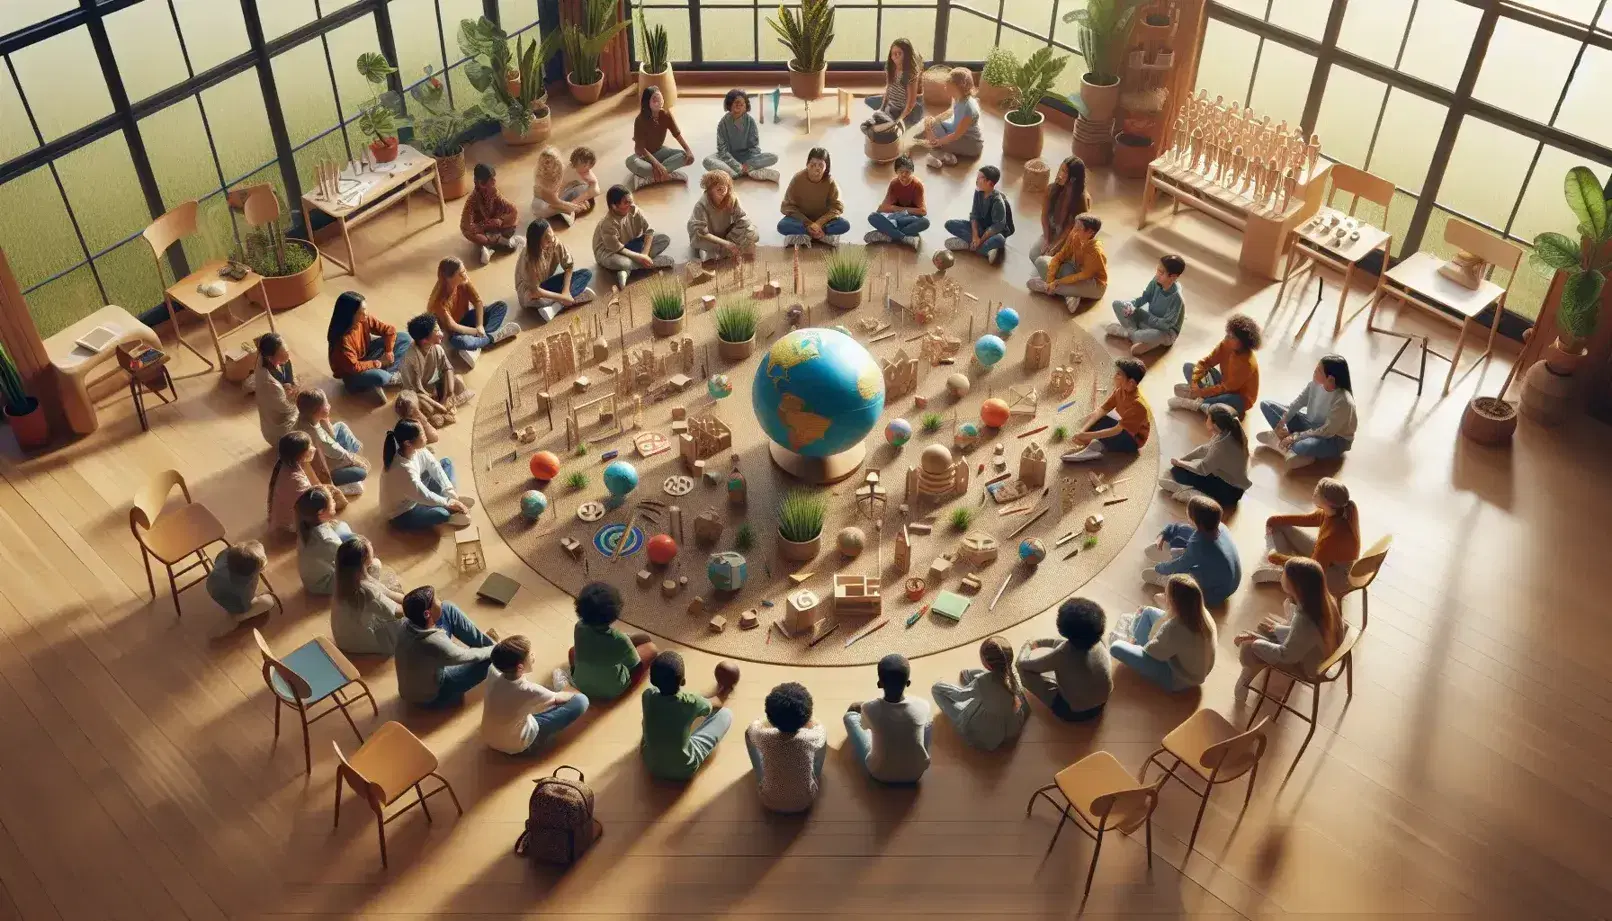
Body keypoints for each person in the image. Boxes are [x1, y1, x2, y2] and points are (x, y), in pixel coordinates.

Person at [1234, 557, 1343, 703]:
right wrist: (1278, 630)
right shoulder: (1324, 601)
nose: (1281, 576)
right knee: (1266, 628)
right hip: (1317, 652)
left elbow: (1287, 655)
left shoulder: (1304, 619)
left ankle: (1245, 680)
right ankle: (1254, 659)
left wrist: (1255, 642)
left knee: (1248, 648)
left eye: (1284, 574)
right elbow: (1304, 636)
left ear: (1295, 585)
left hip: (1307, 665)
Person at [482, 636, 590, 755]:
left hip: (489, 738)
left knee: (531, 705)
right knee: (581, 700)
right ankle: (562, 682)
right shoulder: (531, 690)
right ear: (520, 667)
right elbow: (561, 698)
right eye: (530, 655)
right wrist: (570, 693)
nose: (534, 655)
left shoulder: (492, 671)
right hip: (519, 746)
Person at [1251, 478, 1360, 595]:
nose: (1314, 493)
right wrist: (1275, 519)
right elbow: (1309, 519)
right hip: (1327, 559)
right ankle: (1283, 567)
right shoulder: (1333, 512)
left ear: (1327, 501)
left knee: (1303, 574)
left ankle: (1283, 573)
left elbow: (1312, 568)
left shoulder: (1330, 538)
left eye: (1317, 492)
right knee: (1279, 526)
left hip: (1337, 576)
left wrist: (1278, 558)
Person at [1110, 574, 1218, 693]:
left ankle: (1134, 639)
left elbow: (1153, 652)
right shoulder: (1201, 613)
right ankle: (1136, 635)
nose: (1165, 597)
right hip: (1198, 671)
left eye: (1167, 595)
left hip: (1179, 678)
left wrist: (1135, 642)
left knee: (1116, 647)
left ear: (1174, 601)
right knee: (1147, 611)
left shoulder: (1175, 628)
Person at [395, 585, 499, 707]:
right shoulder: (433, 642)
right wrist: (495, 649)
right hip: (432, 696)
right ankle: (499, 649)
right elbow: (469, 656)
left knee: (447, 608)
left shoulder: (406, 624)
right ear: (427, 613)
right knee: (489, 659)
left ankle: (488, 643)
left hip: (416, 685)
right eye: (436, 600)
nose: (440, 601)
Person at [641, 651, 737, 782]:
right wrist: (724, 689)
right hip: (684, 769)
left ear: (652, 680)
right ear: (683, 681)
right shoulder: (691, 702)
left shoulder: (647, 695)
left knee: (652, 719)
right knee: (725, 714)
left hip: (651, 764)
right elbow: (717, 703)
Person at [1017, 597, 1113, 721]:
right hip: (1102, 703)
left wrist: (1028, 646)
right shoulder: (1098, 641)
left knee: (1022, 670)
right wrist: (1040, 643)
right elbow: (1065, 644)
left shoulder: (1061, 654)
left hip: (1074, 712)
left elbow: (1027, 665)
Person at [930, 636, 1029, 752]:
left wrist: (940, 685)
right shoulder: (1012, 676)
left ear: (987, 664)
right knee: (976, 676)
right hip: (1011, 727)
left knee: (936, 690)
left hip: (986, 733)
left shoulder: (983, 682)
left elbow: (960, 696)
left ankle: (964, 677)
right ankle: (967, 675)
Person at [1257, 354, 1357, 470]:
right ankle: (1290, 449)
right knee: (1267, 405)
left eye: (1319, 370)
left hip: (1333, 438)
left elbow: (1326, 431)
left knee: (1302, 446)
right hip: (1309, 424)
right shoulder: (1314, 384)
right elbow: (1297, 403)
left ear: (1331, 379)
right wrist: (1283, 422)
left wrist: (1296, 436)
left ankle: (1284, 444)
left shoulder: (1343, 401)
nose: (1314, 371)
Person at [845, 654, 933, 784]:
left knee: (850, 717)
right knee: (927, 723)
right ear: (908, 683)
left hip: (879, 773)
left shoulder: (869, 708)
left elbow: (864, 727)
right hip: (915, 774)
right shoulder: (923, 705)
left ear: (879, 684)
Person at [1143, 495, 1242, 607]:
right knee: (1186, 538)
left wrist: (1160, 568)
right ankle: (1171, 553)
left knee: (1186, 574)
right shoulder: (1219, 526)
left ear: (1193, 519)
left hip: (1215, 593)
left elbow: (1181, 565)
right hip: (1232, 582)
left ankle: (1169, 584)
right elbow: (1183, 529)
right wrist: (1164, 534)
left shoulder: (1200, 544)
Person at [297, 488, 399, 596]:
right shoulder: (327, 541)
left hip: (314, 577)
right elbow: (354, 563)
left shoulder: (306, 526)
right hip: (323, 584)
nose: (334, 502)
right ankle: (366, 593)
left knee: (341, 526)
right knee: (375, 564)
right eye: (331, 501)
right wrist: (368, 552)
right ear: (321, 512)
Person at [569, 581, 659, 702]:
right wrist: (630, 684)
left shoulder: (579, 627)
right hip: (611, 691)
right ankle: (624, 688)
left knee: (573, 651)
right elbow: (636, 668)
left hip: (580, 682)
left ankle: (580, 674)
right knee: (651, 649)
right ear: (614, 614)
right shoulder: (620, 640)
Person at [745, 682, 827, 813]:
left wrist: (766, 723)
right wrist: (811, 721)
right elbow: (820, 726)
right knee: (822, 742)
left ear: (770, 718)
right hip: (805, 801)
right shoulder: (811, 737)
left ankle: (757, 767)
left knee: (748, 736)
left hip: (768, 800)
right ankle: (817, 773)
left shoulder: (764, 736)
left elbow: (752, 727)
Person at [380, 418, 473, 530]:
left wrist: (450, 492)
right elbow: (424, 495)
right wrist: (447, 502)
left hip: (415, 493)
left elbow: (434, 466)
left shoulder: (416, 449)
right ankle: (449, 510)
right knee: (441, 514)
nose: (425, 436)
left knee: (446, 463)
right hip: (403, 512)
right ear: (408, 443)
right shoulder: (403, 470)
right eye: (422, 434)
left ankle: (448, 500)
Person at [426, 256, 518, 366]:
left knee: (500, 307)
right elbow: (453, 326)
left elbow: (478, 302)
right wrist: (476, 332)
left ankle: (478, 345)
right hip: (455, 332)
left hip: (468, 317)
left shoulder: (464, 281)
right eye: (460, 273)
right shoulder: (438, 302)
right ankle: (493, 336)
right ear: (448, 279)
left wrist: (479, 326)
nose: (465, 275)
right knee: (459, 342)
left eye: (464, 271)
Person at [330, 534, 408, 655]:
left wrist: (406, 599)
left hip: (343, 636)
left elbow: (388, 593)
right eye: (371, 549)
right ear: (364, 560)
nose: (373, 548)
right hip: (356, 642)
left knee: (378, 569)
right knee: (408, 624)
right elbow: (396, 612)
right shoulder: (366, 592)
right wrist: (416, 605)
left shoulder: (343, 577)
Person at [1161, 404, 1251, 507]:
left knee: (1178, 472)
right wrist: (1184, 459)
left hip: (1229, 493)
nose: (1206, 419)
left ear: (1215, 423)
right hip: (1231, 485)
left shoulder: (1222, 446)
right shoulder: (1228, 432)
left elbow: (1202, 468)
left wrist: (1180, 463)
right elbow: (1204, 449)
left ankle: (1189, 493)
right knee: (1182, 468)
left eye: (1208, 417)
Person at [1171, 314, 1262, 416]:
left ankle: (1196, 403)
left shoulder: (1247, 364)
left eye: (1232, 337)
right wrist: (1194, 382)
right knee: (1188, 367)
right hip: (1222, 384)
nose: (1227, 338)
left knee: (1225, 399)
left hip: (1238, 397)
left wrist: (1201, 392)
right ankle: (1205, 403)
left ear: (1243, 342)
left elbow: (1226, 388)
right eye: (1228, 334)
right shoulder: (1226, 344)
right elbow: (1207, 362)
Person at [1063, 357, 1150, 463]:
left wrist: (1088, 435)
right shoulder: (1120, 391)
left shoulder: (1138, 405)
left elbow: (1117, 430)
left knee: (1103, 432)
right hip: (1122, 425)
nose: (1114, 376)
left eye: (1119, 374)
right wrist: (1084, 430)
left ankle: (1094, 448)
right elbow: (1103, 410)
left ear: (1131, 382)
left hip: (1132, 439)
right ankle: (1094, 444)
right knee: (1098, 420)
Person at [327, 291, 410, 398]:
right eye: (361, 312)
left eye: (365, 309)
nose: (365, 313)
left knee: (405, 337)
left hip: (366, 354)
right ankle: (389, 373)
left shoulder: (364, 319)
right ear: (350, 314)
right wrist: (378, 363)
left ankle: (390, 372)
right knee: (380, 377)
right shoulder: (341, 341)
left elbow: (388, 330)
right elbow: (354, 367)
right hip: (352, 373)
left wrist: (388, 351)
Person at [593, 185, 674, 290]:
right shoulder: (607, 224)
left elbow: (649, 230)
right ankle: (654, 263)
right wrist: (640, 257)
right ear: (614, 206)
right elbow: (617, 248)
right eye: (626, 203)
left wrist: (644, 253)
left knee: (663, 239)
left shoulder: (634, 210)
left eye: (631, 201)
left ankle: (627, 270)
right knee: (622, 262)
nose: (631, 205)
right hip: (610, 253)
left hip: (632, 244)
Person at [1106, 254, 1187, 356]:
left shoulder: (1176, 298)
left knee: (1156, 335)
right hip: (1148, 319)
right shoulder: (1155, 281)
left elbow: (1165, 326)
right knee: (1117, 304)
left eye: (1161, 273)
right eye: (1157, 270)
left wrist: (1144, 316)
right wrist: (1132, 305)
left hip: (1165, 332)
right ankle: (1138, 338)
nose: (1157, 274)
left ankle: (1127, 333)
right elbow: (1145, 297)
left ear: (1173, 277)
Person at [399, 315, 473, 426]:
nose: (441, 334)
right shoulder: (409, 360)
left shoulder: (437, 348)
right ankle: (444, 409)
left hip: (434, 385)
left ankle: (445, 406)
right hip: (420, 393)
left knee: (457, 381)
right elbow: (415, 390)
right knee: (417, 404)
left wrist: (448, 393)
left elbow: (448, 368)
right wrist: (441, 406)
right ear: (424, 340)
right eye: (437, 331)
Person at [517, 218, 595, 322]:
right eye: (548, 241)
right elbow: (535, 291)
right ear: (537, 243)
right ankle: (572, 298)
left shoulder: (554, 242)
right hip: (532, 295)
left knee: (586, 274)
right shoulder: (528, 259)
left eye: (552, 237)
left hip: (545, 286)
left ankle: (555, 308)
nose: (552, 242)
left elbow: (568, 266)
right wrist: (562, 297)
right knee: (540, 300)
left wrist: (565, 292)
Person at [295, 390, 367, 497]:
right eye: (325, 404)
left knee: (341, 426)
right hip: (325, 469)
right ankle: (338, 488)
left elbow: (331, 436)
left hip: (323, 454)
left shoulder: (305, 419)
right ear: (317, 410)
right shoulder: (317, 436)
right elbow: (339, 453)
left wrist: (325, 419)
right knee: (362, 471)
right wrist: (356, 461)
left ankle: (356, 451)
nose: (329, 406)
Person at [1029, 213, 1107, 310]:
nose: (1074, 230)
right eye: (1075, 226)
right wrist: (1050, 279)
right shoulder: (1074, 236)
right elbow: (1060, 256)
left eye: (1079, 228)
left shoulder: (1095, 251)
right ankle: (1069, 294)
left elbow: (1083, 275)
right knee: (1040, 261)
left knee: (1060, 286)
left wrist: (1058, 282)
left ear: (1090, 232)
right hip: (1074, 270)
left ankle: (1046, 287)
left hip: (1093, 283)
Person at [703, 89, 780, 182]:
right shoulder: (722, 123)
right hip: (729, 159)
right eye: (736, 103)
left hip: (748, 158)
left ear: (746, 106)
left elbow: (754, 147)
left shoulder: (750, 121)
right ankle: (745, 172)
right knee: (707, 161)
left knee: (773, 157)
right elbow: (722, 150)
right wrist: (737, 165)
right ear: (729, 104)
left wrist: (749, 163)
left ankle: (740, 172)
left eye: (742, 104)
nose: (739, 106)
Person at [778, 148, 849, 246]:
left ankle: (807, 235)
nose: (817, 168)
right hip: (802, 220)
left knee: (844, 225)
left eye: (821, 165)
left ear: (826, 167)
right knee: (782, 226)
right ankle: (820, 236)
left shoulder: (830, 182)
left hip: (822, 221)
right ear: (807, 165)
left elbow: (837, 207)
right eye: (813, 165)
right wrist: (808, 224)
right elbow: (787, 206)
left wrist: (819, 223)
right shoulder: (797, 179)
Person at [943, 165, 1013, 265]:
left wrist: (980, 240)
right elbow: (974, 215)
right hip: (980, 229)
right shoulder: (978, 192)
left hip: (992, 234)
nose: (976, 180)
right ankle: (984, 249)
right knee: (949, 224)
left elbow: (997, 227)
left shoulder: (997, 201)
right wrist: (975, 236)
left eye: (980, 178)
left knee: (1000, 240)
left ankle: (970, 245)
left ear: (990, 183)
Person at [627, 86, 693, 189]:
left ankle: (649, 178)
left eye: (660, 99)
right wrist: (658, 165)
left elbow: (677, 134)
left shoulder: (666, 114)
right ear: (647, 102)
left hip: (660, 151)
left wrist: (688, 150)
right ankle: (669, 175)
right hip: (643, 157)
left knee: (685, 157)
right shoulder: (640, 120)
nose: (659, 102)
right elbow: (641, 149)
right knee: (630, 162)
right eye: (655, 100)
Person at [687, 169, 759, 261]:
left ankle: (724, 251)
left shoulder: (731, 198)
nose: (723, 192)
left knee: (753, 233)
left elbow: (743, 218)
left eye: (725, 188)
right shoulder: (701, 205)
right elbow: (702, 233)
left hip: (725, 233)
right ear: (710, 191)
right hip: (707, 237)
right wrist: (726, 243)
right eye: (719, 189)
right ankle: (711, 252)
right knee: (707, 250)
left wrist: (733, 236)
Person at [460, 162, 524, 265]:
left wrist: (500, 220)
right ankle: (498, 242)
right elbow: (466, 225)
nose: (493, 182)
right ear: (480, 183)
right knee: (470, 233)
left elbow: (513, 210)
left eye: (493, 180)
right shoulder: (472, 200)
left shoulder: (494, 192)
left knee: (513, 218)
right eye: (491, 180)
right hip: (483, 230)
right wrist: (485, 225)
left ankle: (493, 245)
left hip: (495, 225)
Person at [862, 39, 925, 141]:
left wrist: (899, 120)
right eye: (893, 54)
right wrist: (881, 108)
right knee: (868, 104)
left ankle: (894, 126)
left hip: (903, 110)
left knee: (894, 133)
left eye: (899, 53)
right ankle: (886, 124)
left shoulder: (910, 74)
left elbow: (910, 103)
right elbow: (888, 89)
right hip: (891, 106)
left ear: (907, 55)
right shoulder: (891, 68)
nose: (895, 56)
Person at [920, 67, 984, 168]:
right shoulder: (958, 97)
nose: (945, 88)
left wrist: (938, 142)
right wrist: (935, 120)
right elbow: (951, 113)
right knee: (931, 123)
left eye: (948, 87)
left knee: (934, 139)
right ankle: (943, 151)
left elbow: (956, 135)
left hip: (970, 143)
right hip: (958, 131)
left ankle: (944, 156)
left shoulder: (968, 108)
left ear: (958, 88)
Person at [865, 155, 929, 249]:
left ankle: (888, 234)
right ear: (896, 172)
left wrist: (897, 209)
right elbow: (882, 208)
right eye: (900, 172)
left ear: (912, 172)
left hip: (908, 219)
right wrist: (892, 209)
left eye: (907, 172)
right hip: (894, 218)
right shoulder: (894, 183)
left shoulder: (917, 185)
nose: (903, 175)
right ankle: (903, 237)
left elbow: (922, 211)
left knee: (925, 222)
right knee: (872, 217)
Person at [266, 431, 323, 535]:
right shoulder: (297, 481)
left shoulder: (285, 464)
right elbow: (313, 502)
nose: (313, 448)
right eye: (309, 446)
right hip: (293, 524)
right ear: (301, 454)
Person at [205, 540, 275, 622]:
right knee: (269, 602)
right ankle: (239, 617)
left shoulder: (225, 554)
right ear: (253, 573)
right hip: (234, 603)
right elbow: (245, 604)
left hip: (211, 585)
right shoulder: (245, 590)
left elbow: (217, 559)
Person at [1034, 156, 1090, 258]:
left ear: (1073, 179)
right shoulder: (1051, 189)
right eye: (1061, 169)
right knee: (1034, 254)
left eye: (1064, 172)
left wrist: (1054, 247)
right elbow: (1044, 216)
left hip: (1070, 240)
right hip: (1053, 233)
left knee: (1046, 259)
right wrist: (1047, 239)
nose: (1059, 174)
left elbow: (1070, 230)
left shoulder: (1081, 201)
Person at [531, 146, 600, 226]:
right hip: (546, 206)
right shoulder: (551, 181)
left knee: (581, 191)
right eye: (585, 166)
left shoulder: (583, 174)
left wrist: (576, 202)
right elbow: (556, 200)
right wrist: (573, 206)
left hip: (554, 201)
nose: (588, 169)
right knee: (556, 208)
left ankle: (568, 209)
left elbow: (595, 189)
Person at [254, 333, 298, 446]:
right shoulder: (268, 382)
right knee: (312, 410)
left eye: (287, 351)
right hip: (281, 431)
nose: (287, 356)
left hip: (286, 400)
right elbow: (286, 408)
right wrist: (295, 396)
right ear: (270, 358)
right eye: (283, 355)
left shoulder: (273, 358)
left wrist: (289, 384)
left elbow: (289, 372)